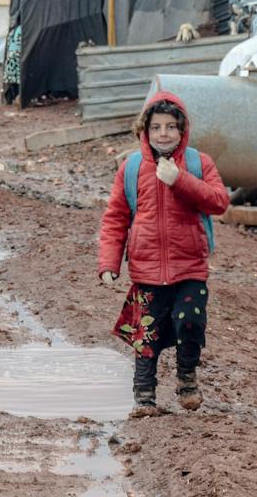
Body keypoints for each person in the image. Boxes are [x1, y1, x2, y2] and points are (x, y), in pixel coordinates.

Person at [97, 91, 230, 418]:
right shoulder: (131, 167)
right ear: (145, 129)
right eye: (156, 127)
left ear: (182, 129)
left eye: (171, 127)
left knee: (190, 322)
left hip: (190, 266)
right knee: (146, 334)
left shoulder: (199, 163)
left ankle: (187, 376)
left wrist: (179, 180)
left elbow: (218, 202)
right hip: (146, 268)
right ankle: (144, 396)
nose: (163, 134)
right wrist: (109, 262)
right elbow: (116, 217)